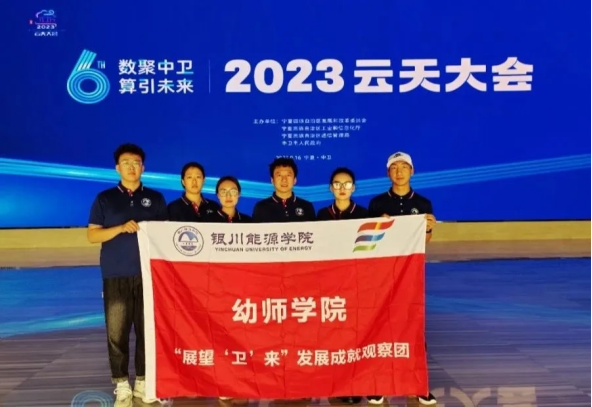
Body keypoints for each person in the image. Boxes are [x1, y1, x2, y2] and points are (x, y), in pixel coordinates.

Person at [87, 143, 168, 407]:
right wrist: (120, 228)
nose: (131, 167)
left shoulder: (155, 199)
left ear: (143, 167)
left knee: (147, 332)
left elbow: (165, 235)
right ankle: (121, 385)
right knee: (117, 334)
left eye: (136, 162)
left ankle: (143, 383)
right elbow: (92, 235)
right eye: (126, 162)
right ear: (117, 167)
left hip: (149, 276)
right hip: (116, 275)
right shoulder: (105, 198)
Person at [367, 152, 437, 406]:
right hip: (383, 275)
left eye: (404, 167)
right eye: (394, 168)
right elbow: (369, 241)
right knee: (381, 328)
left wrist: (428, 228)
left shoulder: (423, 203)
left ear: (412, 171)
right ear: (388, 173)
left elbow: (424, 241)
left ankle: (418, 385)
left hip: (410, 275)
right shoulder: (376, 203)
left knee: (413, 327)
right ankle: (379, 384)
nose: (399, 172)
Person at [316, 167, 367, 404]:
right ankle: (335, 381)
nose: (342, 188)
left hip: (357, 285)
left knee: (355, 335)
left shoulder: (365, 215)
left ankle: (354, 384)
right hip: (330, 286)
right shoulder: (322, 215)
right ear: (330, 188)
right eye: (337, 184)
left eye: (347, 184)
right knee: (334, 334)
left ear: (353, 188)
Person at [252, 157, 315, 222]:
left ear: (295, 180)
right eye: (279, 175)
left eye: (288, 175)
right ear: (272, 180)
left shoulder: (307, 206)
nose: (284, 180)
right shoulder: (261, 208)